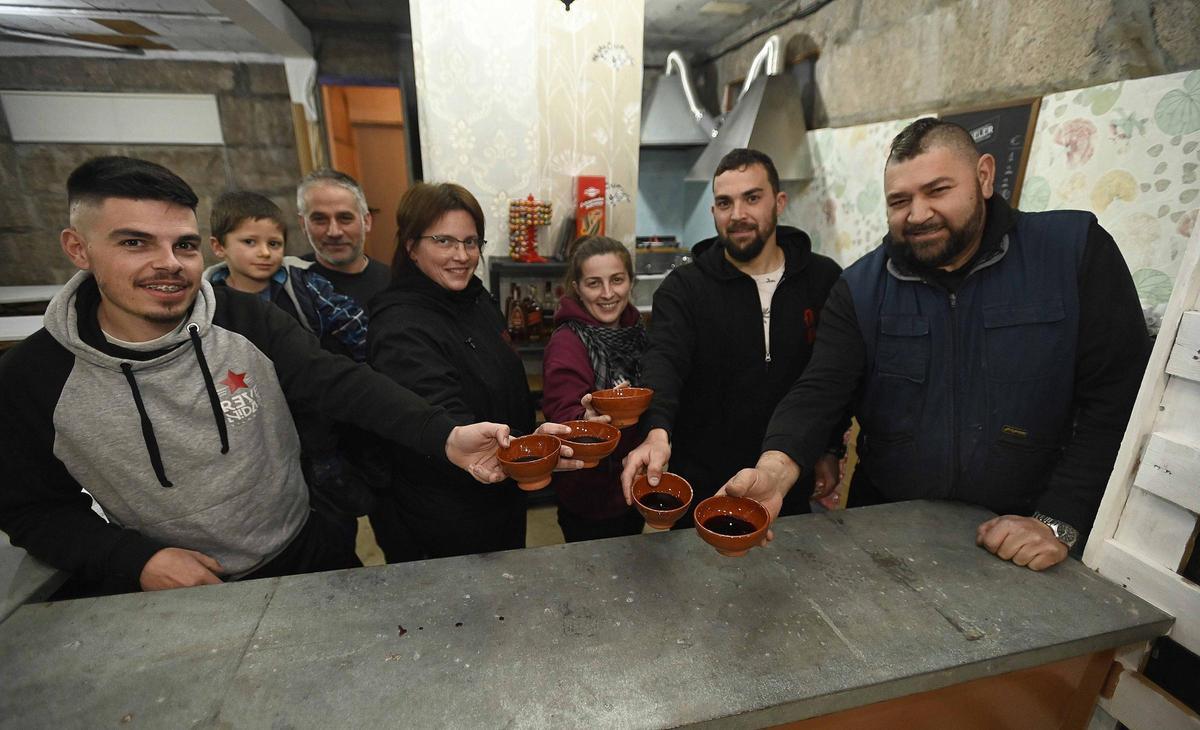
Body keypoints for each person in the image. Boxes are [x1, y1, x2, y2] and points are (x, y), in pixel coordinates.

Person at [0, 156, 515, 596]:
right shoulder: (34, 377)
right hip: (182, 591)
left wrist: (445, 436)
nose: (168, 264)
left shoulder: (247, 320)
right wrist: (134, 560)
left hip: (309, 553)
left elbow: (340, 382)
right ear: (78, 248)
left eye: (184, 245)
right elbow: (30, 509)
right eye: (135, 243)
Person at [718, 118, 1150, 571]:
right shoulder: (861, 287)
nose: (918, 214)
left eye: (937, 190)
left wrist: (1058, 520)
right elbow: (820, 391)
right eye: (899, 201)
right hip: (889, 534)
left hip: (1027, 534)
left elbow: (1119, 398)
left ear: (984, 177)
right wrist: (774, 471)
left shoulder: (1073, 252)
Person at [620, 148, 845, 526]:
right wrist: (656, 431)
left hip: (788, 482)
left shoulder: (823, 280)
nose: (737, 214)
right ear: (713, 212)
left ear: (779, 202)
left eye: (752, 198)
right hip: (702, 489)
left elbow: (833, 375)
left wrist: (829, 447)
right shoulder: (684, 288)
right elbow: (663, 362)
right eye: (725, 203)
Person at [366, 182, 581, 561]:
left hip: (498, 488)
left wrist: (528, 439)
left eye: (470, 242)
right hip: (445, 513)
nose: (462, 256)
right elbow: (446, 421)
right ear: (411, 246)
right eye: (444, 241)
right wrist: (529, 449)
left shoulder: (475, 298)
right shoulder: (400, 326)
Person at [205, 190, 374, 531]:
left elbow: (356, 327)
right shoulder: (205, 302)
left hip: (314, 423)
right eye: (250, 242)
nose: (265, 252)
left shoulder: (304, 284)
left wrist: (366, 373)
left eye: (274, 243)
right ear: (219, 246)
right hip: (249, 426)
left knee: (333, 518)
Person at [542, 236, 647, 542]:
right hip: (589, 497)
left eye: (617, 280)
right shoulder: (567, 342)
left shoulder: (638, 331)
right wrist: (585, 419)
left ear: (630, 281)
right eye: (594, 283)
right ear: (577, 287)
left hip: (634, 485)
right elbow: (562, 413)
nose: (608, 293)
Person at [297, 169, 391, 313]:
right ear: (303, 224)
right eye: (320, 220)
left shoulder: (395, 285)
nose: (334, 232)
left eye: (345, 218)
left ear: (366, 222)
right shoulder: (289, 284)